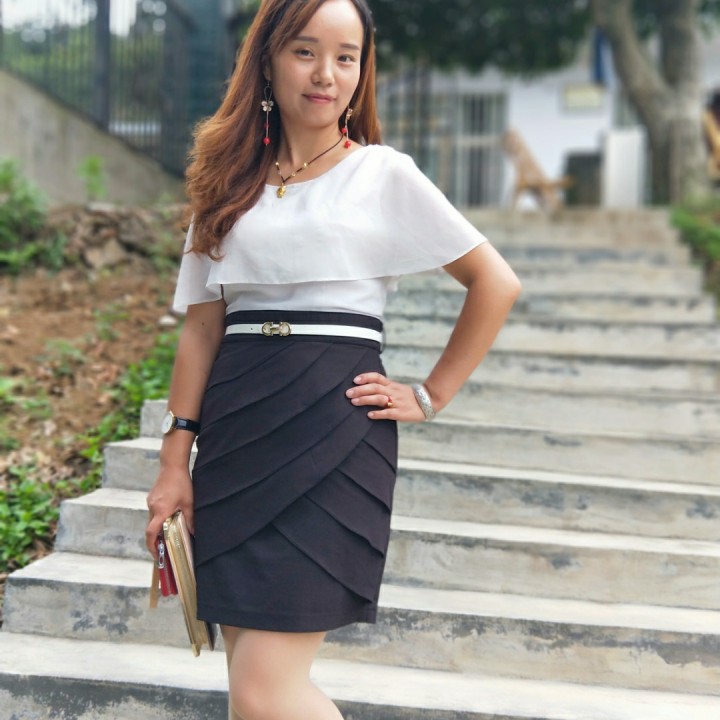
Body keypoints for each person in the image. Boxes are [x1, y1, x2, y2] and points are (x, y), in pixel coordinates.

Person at [144, 0, 521, 718]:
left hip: (332, 431)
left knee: (264, 693)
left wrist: (431, 394)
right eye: (305, 51)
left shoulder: (382, 173)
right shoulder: (226, 185)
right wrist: (173, 462)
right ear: (267, 60)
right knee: (252, 695)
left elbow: (495, 282)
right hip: (236, 434)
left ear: (361, 71)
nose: (326, 74)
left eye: (346, 57)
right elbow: (200, 331)